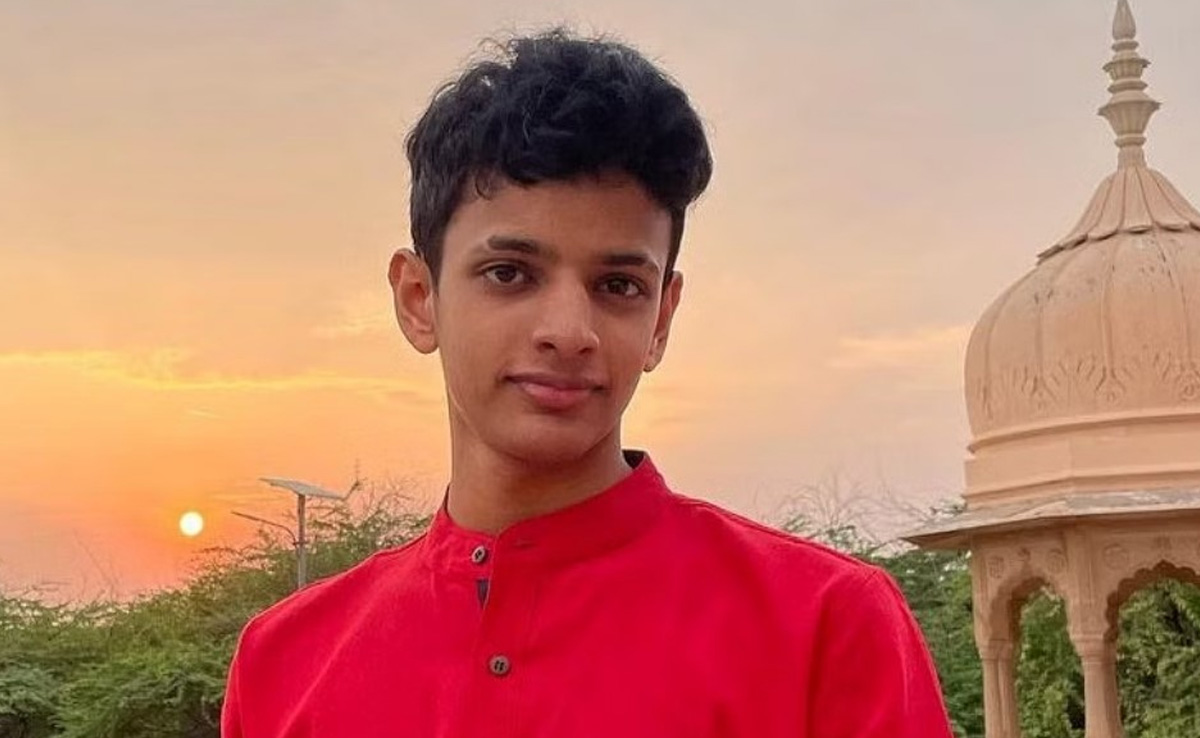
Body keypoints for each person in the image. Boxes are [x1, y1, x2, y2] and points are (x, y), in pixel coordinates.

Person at [221, 28, 954, 738]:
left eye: (618, 285)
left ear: (661, 318)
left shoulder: (825, 626)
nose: (570, 330)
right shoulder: (286, 663)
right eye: (510, 274)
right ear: (419, 299)